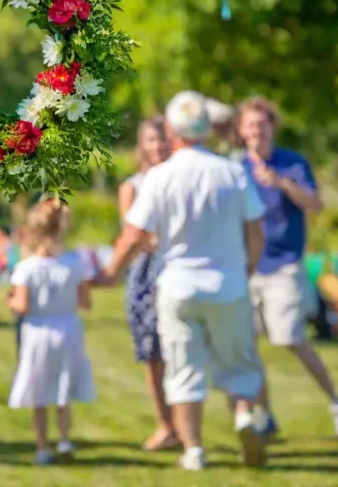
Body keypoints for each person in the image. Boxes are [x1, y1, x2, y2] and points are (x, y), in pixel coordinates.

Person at [104, 91, 267, 472]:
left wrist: (109, 273)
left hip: (177, 286)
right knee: (238, 363)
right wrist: (248, 269)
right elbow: (256, 230)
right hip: (227, 283)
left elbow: (132, 234)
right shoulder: (231, 172)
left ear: (173, 131)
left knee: (183, 369)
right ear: (208, 129)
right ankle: (243, 413)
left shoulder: (160, 177)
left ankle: (193, 449)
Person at [238, 96, 338, 438]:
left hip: (284, 266)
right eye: (250, 125)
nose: (256, 131)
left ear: (273, 126)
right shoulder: (234, 168)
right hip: (247, 269)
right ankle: (264, 416)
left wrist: (281, 183)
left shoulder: (292, 163)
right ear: (241, 131)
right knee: (247, 345)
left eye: (262, 124)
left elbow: (316, 203)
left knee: (289, 337)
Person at [7, 198, 95, 465]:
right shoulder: (73, 263)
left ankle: (43, 447)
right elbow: (86, 302)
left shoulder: (26, 268)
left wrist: (9, 300)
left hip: (38, 330)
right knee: (63, 386)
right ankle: (65, 439)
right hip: (68, 327)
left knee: (39, 389)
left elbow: (21, 306)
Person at [117, 116, 177, 452]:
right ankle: (165, 424)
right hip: (146, 273)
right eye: (152, 140)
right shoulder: (133, 185)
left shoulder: (183, 179)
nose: (158, 147)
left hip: (178, 267)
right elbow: (133, 233)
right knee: (152, 353)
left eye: (163, 139)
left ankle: (184, 425)